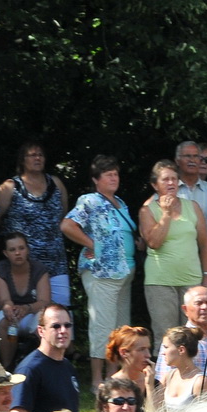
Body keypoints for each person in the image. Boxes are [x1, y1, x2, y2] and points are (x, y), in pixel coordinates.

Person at [61, 156, 138, 390]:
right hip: (102, 272)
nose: (114, 178)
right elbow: (67, 225)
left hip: (125, 272)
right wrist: (92, 245)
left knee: (121, 327)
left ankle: (114, 376)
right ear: (96, 179)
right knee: (103, 326)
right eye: (108, 174)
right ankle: (98, 380)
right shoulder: (90, 201)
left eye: (116, 174)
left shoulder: (120, 202)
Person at [140, 160, 207, 337]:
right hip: (161, 281)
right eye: (165, 179)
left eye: (174, 179)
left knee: (194, 334)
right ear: (155, 185)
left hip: (192, 279)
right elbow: (154, 242)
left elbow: (204, 243)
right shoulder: (147, 210)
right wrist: (166, 213)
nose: (171, 183)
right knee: (166, 335)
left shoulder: (192, 206)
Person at [0, 143, 70, 305]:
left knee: (61, 310)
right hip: (24, 266)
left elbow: (64, 216)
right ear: (22, 160)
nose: (37, 158)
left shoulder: (56, 184)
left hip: (56, 262)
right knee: (28, 313)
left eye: (40, 155)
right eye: (32, 155)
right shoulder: (10, 187)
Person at [152, 285, 207, 392]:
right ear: (185, 309)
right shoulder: (174, 341)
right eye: (199, 303)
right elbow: (163, 383)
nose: (204, 307)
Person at [0, 231, 51, 364]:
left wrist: (27, 308)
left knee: (44, 322)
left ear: (27, 250)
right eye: (12, 250)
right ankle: (7, 366)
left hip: (32, 311)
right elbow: (3, 300)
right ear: (6, 253)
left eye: (21, 248)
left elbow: (44, 301)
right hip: (9, 312)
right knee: (6, 322)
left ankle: (46, 364)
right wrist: (9, 309)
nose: (17, 253)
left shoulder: (40, 270)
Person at [11, 304, 80, 412]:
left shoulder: (68, 367)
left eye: (67, 325)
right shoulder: (29, 369)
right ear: (41, 331)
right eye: (56, 326)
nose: (63, 330)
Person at [158, 327, 207, 408]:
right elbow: (155, 410)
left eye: (166, 347)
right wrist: (149, 384)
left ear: (181, 350)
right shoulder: (168, 377)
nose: (163, 353)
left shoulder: (200, 382)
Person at [105, 325, 155, 398]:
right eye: (141, 349)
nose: (148, 355)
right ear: (124, 353)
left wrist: (150, 386)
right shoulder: (110, 387)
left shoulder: (154, 383)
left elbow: (156, 406)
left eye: (148, 349)